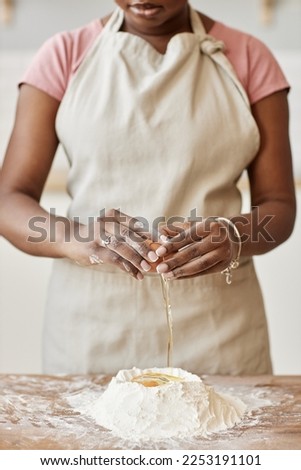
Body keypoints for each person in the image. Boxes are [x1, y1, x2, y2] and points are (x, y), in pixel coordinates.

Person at [0, 1, 296, 376]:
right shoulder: (64, 55)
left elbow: (279, 204)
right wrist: (76, 239)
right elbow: (9, 198)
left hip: (220, 332)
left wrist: (235, 235)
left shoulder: (250, 58)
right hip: (91, 331)